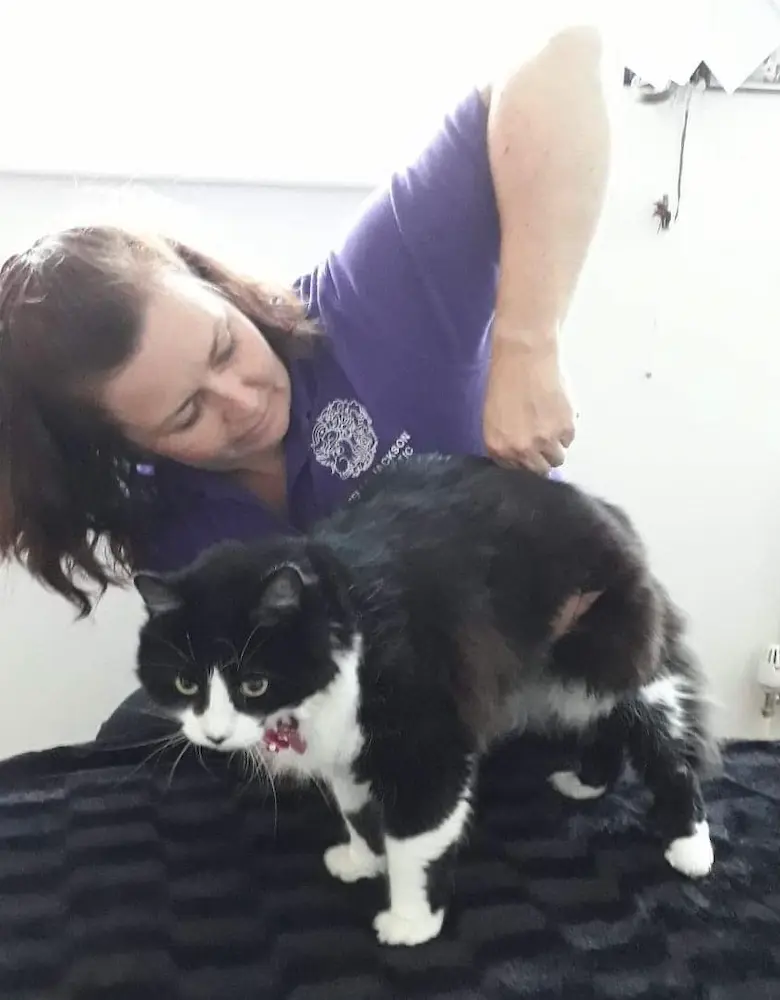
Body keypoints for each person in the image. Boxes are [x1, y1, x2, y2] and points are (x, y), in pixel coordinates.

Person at [0, 27, 610, 741]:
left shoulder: (375, 303)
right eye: (187, 414)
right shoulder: (167, 524)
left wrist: (527, 344)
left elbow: (561, 60)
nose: (244, 400)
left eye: (225, 345)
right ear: (130, 447)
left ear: (211, 284)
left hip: (558, 675)